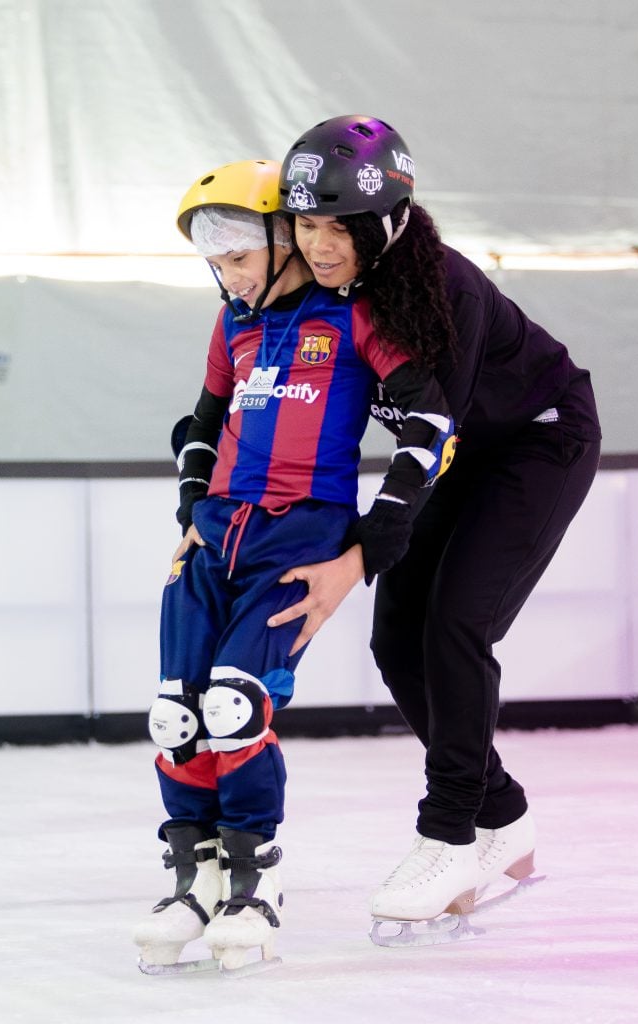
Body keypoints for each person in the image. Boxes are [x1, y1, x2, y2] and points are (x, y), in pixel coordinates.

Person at [268, 115, 602, 932]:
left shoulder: (440, 286)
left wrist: (358, 557)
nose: (319, 244)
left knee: (457, 624)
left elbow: (430, 433)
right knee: (395, 641)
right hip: (459, 456)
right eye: (305, 224)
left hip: (537, 443)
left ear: (386, 220)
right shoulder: (324, 291)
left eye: (337, 226)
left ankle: (451, 833)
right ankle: (504, 811)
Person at [133, 158, 455, 972]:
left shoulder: (351, 317)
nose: (228, 275)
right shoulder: (231, 326)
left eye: (240, 256)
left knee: (237, 707)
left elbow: (427, 419)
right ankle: (194, 875)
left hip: (298, 539)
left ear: (284, 240)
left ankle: (254, 879)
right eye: (216, 261)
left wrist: (372, 537)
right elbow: (198, 429)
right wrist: (189, 512)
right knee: (178, 713)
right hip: (215, 542)